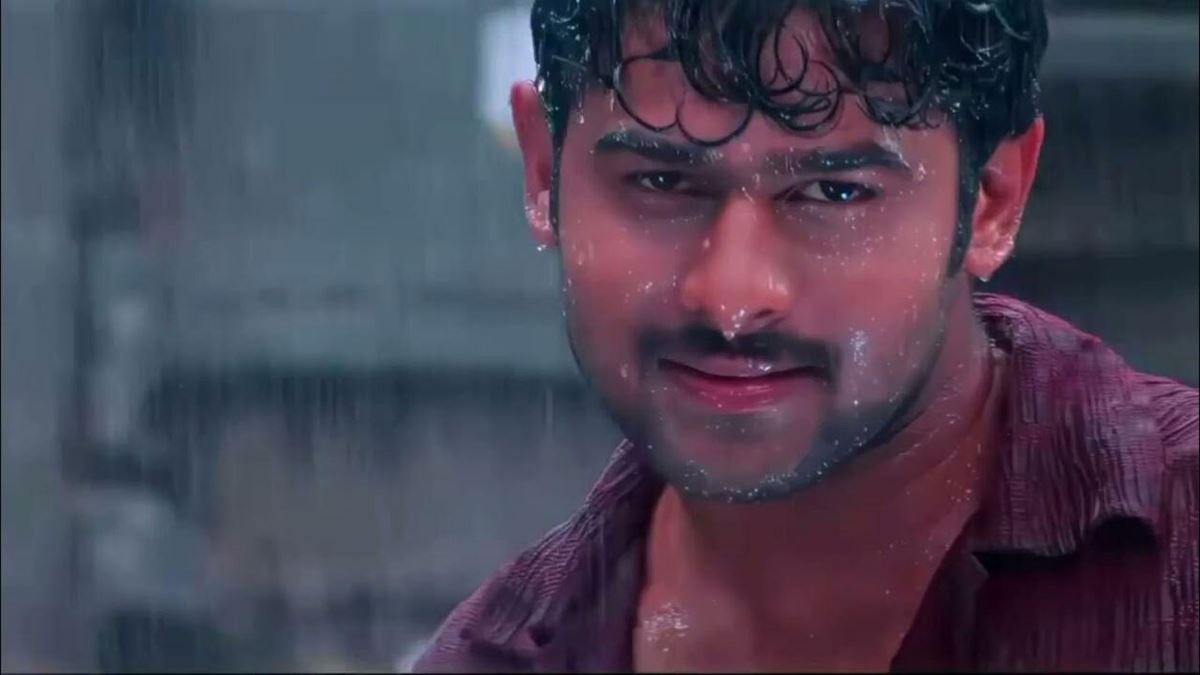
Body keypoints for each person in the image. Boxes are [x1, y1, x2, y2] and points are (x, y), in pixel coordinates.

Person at [414, 1, 1198, 671]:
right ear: (545, 173)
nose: (732, 298)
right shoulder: (498, 656)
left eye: (834, 192)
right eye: (662, 181)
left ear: (992, 200)